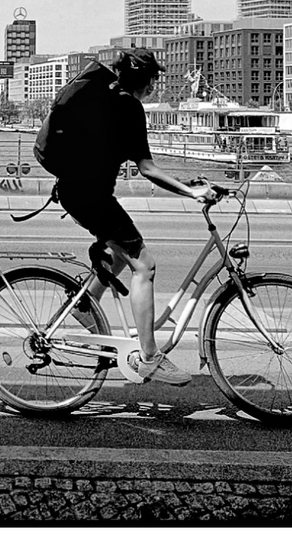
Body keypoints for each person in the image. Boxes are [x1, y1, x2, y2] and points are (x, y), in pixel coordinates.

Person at [41, 48, 211, 386]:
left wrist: (188, 185)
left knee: (120, 251)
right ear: (148, 82)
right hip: (91, 196)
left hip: (77, 191)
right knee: (144, 265)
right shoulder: (129, 107)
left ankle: (85, 306)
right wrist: (191, 192)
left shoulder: (104, 96)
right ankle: (150, 358)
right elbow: (147, 168)